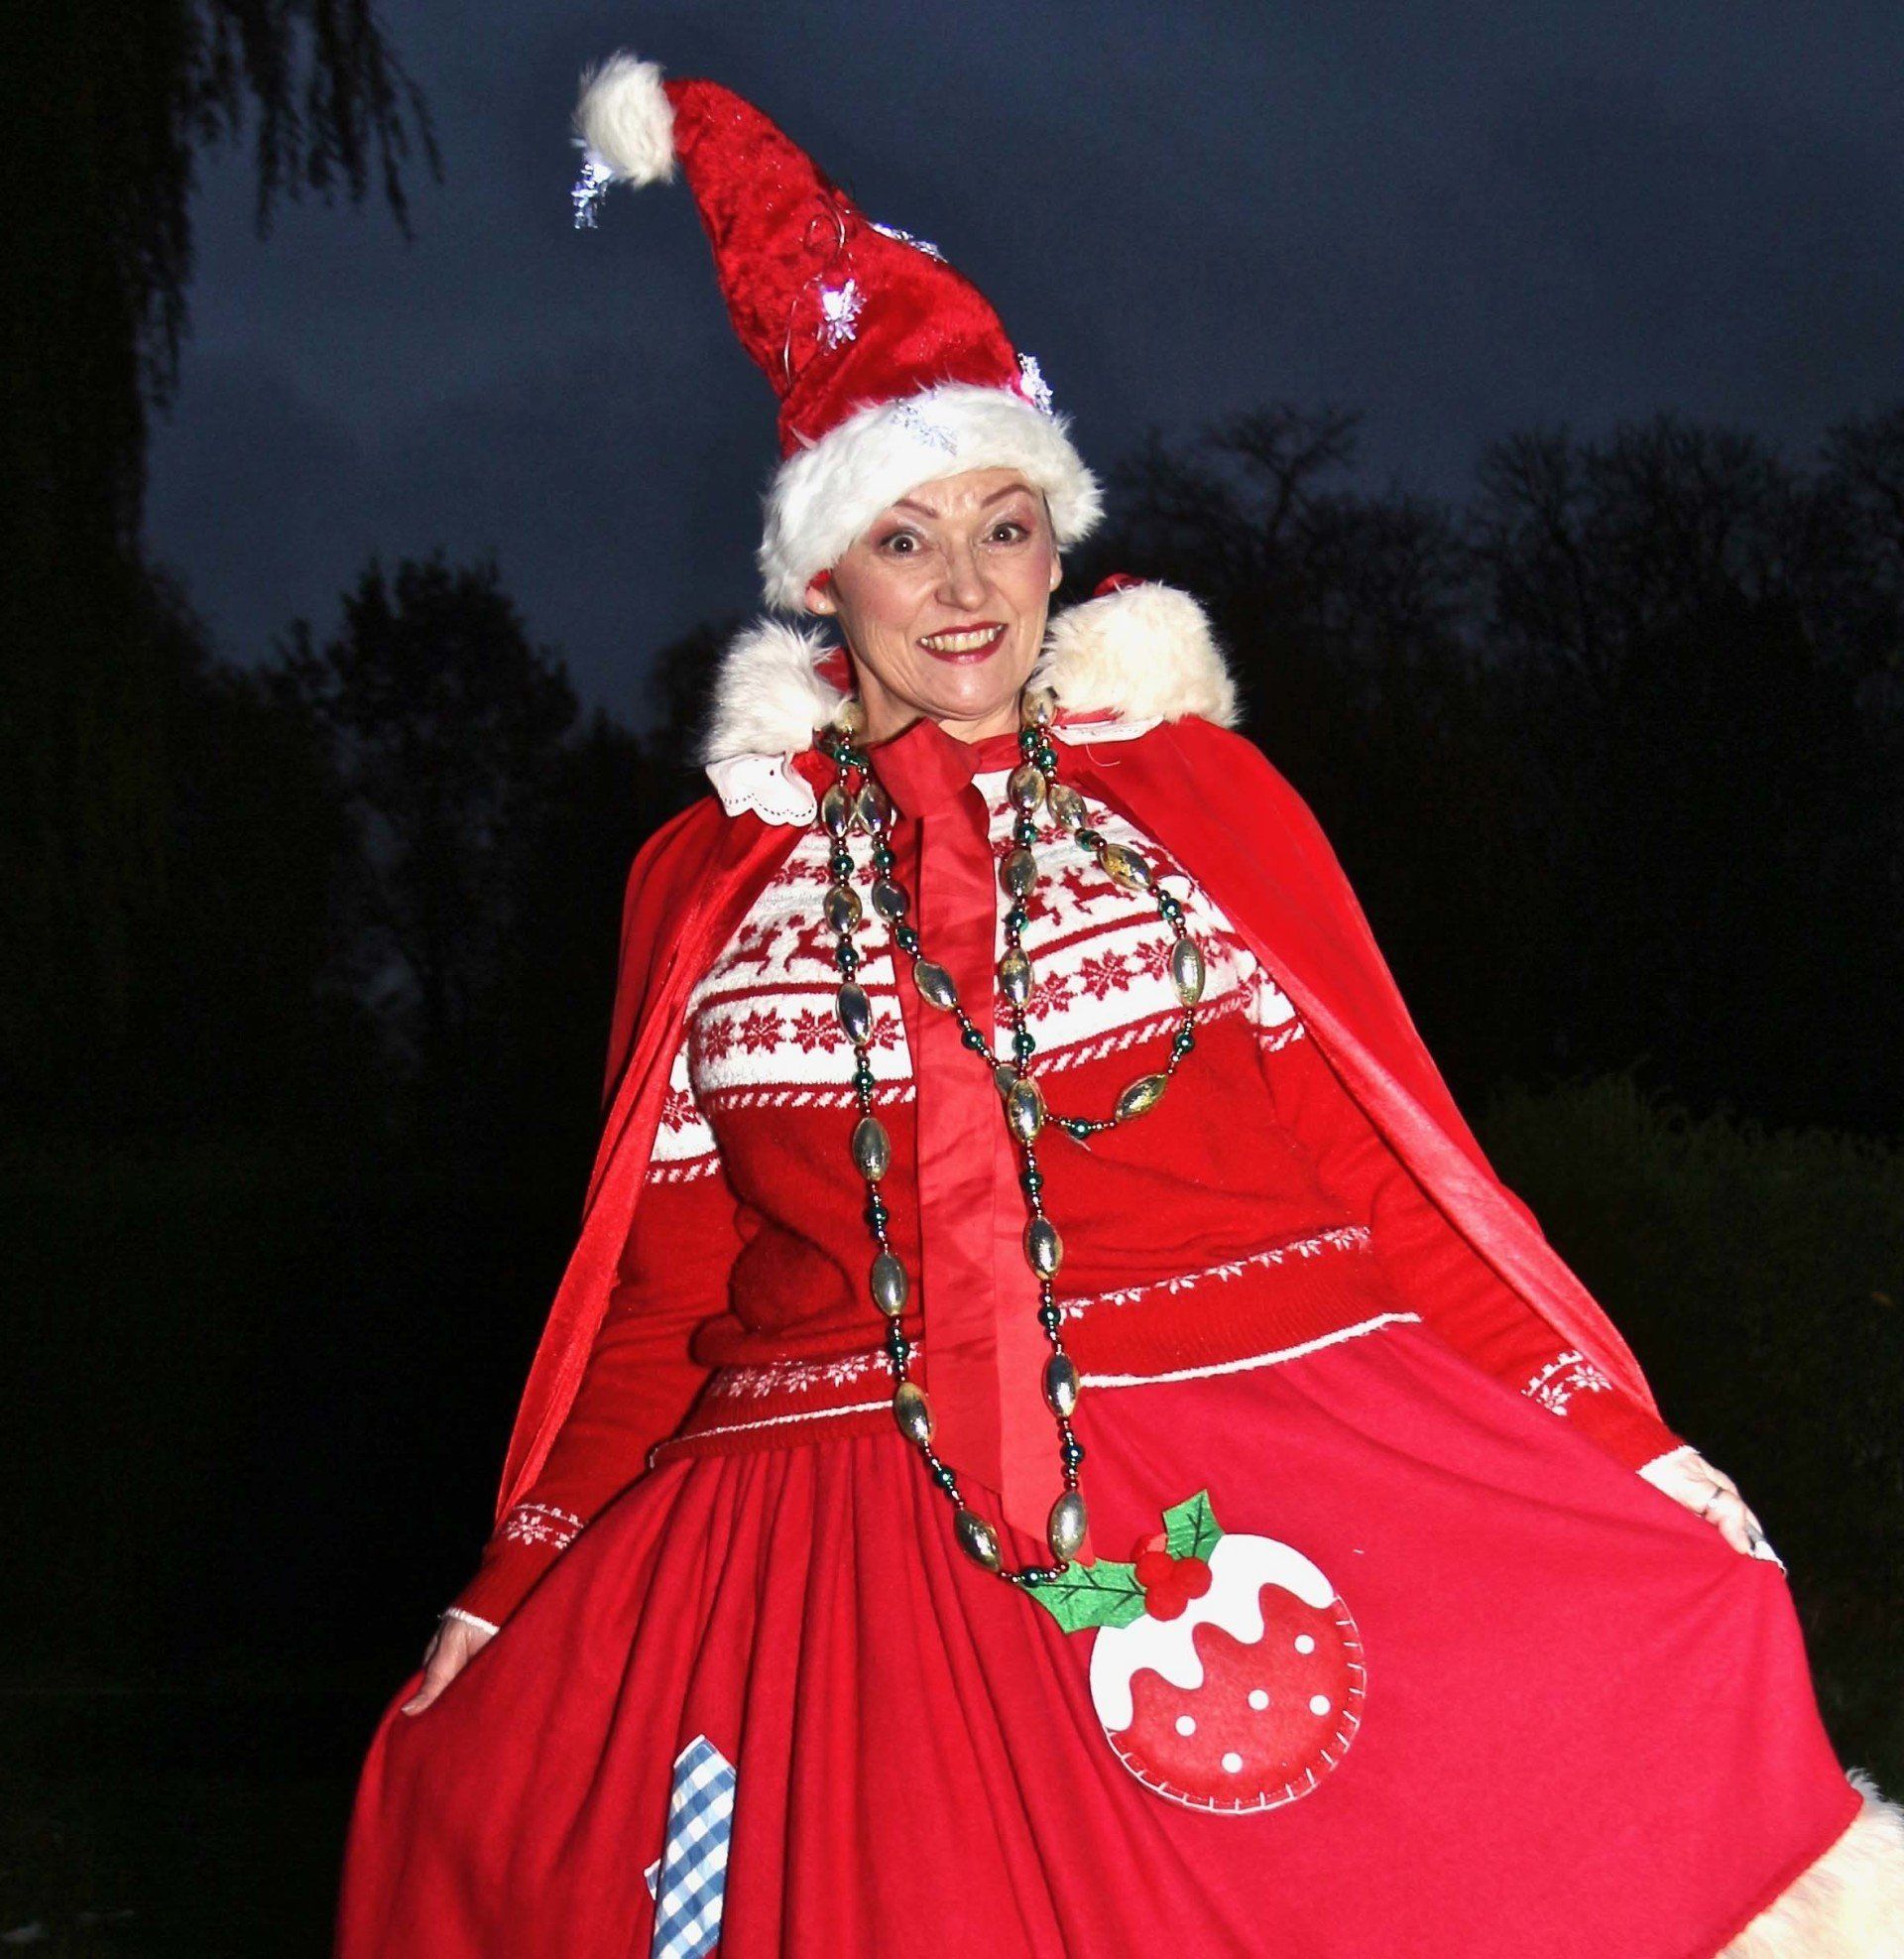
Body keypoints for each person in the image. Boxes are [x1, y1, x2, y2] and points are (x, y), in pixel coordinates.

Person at [335, 53, 1904, 1957]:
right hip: (826, 1569)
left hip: (1240, 1493)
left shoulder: (1192, 806)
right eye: (908, 537)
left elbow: (1385, 1161)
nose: (969, 585)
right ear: (824, 569)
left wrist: (1623, 1446)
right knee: (521, 1810)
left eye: (1008, 523)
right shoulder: (711, 882)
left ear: (1060, 534)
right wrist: (512, 1587)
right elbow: (666, 1289)